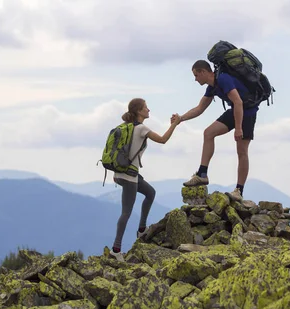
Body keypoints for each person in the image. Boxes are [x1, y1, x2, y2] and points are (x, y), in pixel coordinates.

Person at [173, 59, 259, 202]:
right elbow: (199, 109)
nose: (195, 79)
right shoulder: (212, 87)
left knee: (242, 151)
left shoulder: (223, 79)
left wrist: (238, 129)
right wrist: (181, 118)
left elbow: (238, 102)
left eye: (196, 75)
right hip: (235, 111)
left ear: (203, 72)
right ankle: (202, 174)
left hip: (247, 113)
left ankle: (239, 190)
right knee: (208, 133)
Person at [110, 98, 181, 262]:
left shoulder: (125, 127)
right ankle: (116, 249)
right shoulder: (141, 128)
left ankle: (141, 229)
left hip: (121, 173)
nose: (149, 110)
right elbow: (163, 140)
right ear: (139, 111)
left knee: (150, 192)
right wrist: (174, 124)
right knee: (126, 212)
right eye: (146, 108)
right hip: (129, 177)